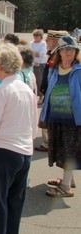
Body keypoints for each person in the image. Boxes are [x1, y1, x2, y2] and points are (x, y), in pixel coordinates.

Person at [0, 43, 38, 234]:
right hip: (23, 152)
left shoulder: (1, 89)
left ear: (1, 66)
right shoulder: (26, 89)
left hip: (1, 152)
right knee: (14, 203)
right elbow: (31, 123)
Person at [40, 35, 81, 197]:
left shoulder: (79, 70)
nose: (69, 52)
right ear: (60, 52)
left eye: (72, 50)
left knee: (69, 150)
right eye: (66, 50)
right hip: (56, 117)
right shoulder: (55, 69)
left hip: (72, 119)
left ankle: (65, 187)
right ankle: (68, 179)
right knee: (62, 149)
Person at [35, 30, 69, 152]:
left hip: (54, 94)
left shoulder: (58, 55)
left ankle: (49, 143)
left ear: (55, 41)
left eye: (48, 39)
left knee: (49, 118)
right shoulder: (55, 53)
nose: (46, 42)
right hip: (51, 92)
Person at [30, 29, 47, 105]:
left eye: (37, 35)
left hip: (40, 64)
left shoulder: (43, 44)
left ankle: (41, 96)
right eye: (34, 35)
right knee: (31, 80)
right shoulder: (31, 43)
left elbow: (41, 54)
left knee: (39, 81)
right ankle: (32, 96)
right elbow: (28, 53)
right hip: (31, 64)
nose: (35, 37)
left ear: (41, 36)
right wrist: (35, 54)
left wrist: (33, 53)